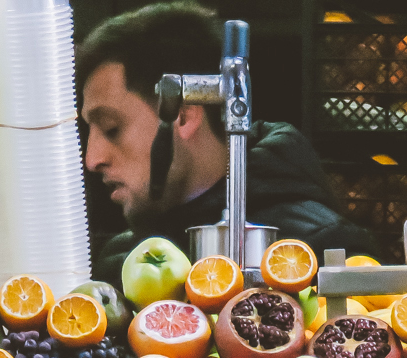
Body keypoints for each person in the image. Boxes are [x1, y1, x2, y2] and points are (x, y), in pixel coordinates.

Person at [78, 2, 375, 284]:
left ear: (183, 116)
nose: (92, 159)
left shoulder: (323, 250)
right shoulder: (118, 261)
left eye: (111, 128)